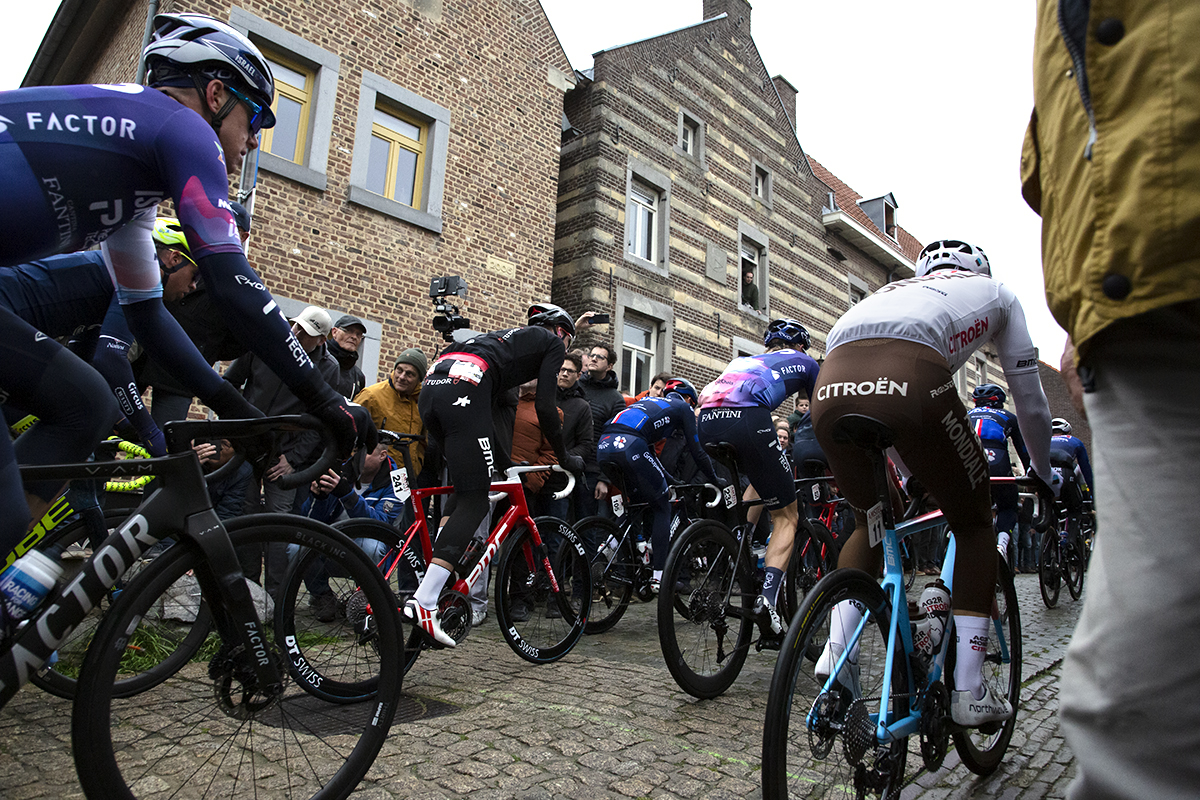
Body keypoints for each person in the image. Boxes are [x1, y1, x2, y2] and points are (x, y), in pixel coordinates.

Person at [0, 13, 356, 578]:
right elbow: (230, 278)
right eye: (253, 120)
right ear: (215, 94)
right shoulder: (181, 127)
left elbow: (149, 318)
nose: (251, 143)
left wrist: (237, 412)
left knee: (85, 403)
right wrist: (323, 399)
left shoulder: (130, 187)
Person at [1023, 8, 1200, 797]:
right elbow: (1035, 416)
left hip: (1144, 267)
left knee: (1137, 709)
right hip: (1130, 280)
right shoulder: (988, 300)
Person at [810, 239, 1057, 728]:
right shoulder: (997, 294)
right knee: (973, 523)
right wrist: (1044, 476)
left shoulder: (892, 290)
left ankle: (837, 656)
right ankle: (968, 688)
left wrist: (911, 474)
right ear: (977, 268)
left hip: (831, 383)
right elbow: (1029, 402)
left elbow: (883, 403)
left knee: (869, 523)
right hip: (913, 376)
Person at [405, 303, 584, 646]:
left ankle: (440, 578)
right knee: (475, 501)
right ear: (562, 333)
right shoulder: (551, 344)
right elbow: (547, 407)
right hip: (463, 390)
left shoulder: (498, 340)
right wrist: (564, 456)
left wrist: (502, 462)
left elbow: (484, 421)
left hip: (435, 387)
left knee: (464, 487)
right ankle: (425, 601)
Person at [697, 318, 820, 635]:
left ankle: (741, 539)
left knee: (758, 477)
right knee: (786, 516)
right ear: (800, 346)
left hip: (707, 420)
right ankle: (767, 600)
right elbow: (820, 409)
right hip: (748, 416)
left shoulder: (743, 360)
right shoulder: (805, 361)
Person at [225, 306, 342, 597]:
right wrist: (233, 429)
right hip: (248, 444)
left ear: (322, 340)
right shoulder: (263, 342)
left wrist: (293, 460)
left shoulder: (328, 368)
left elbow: (323, 421)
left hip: (285, 453)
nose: (298, 334)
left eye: (308, 333)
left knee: (278, 523)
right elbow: (228, 382)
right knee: (247, 515)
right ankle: (250, 587)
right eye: (297, 327)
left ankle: (277, 597)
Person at [597, 379, 726, 591]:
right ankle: (659, 576)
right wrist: (714, 479)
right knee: (662, 505)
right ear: (687, 399)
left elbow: (649, 455)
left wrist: (670, 479)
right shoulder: (683, 407)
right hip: (630, 444)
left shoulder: (648, 404)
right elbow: (698, 452)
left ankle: (610, 543)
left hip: (605, 444)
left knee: (638, 500)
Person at [141, 202, 254, 427]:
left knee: (165, 439)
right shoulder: (183, 253)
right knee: (111, 425)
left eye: (227, 225)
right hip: (142, 357)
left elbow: (242, 339)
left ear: (243, 236)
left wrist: (204, 349)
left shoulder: (239, 280)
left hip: (180, 376)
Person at [300, 440, 404, 621]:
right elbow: (309, 522)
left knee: (372, 546)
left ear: (382, 456)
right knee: (298, 546)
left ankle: (368, 598)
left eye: (367, 452)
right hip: (333, 545)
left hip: (366, 551)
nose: (359, 456)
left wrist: (348, 496)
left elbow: (380, 526)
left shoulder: (398, 480)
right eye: (357, 451)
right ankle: (322, 596)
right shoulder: (339, 471)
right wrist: (319, 498)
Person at [966, 383, 1031, 562]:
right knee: (1008, 506)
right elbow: (1023, 450)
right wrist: (1031, 473)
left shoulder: (963, 414)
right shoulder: (1009, 416)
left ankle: (955, 542)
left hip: (966, 460)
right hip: (997, 462)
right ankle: (1001, 545)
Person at [354, 349, 427, 483]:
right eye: (399, 370)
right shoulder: (371, 396)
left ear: (419, 379)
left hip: (407, 479)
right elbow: (350, 430)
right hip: (373, 478)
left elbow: (423, 441)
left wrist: (417, 464)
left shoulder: (422, 401)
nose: (402, 377)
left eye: (410, 374)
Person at [576, 343, 626, 518]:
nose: (594, 358)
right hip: (565, 462)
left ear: (610, 366)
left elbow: (614, 441)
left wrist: (604, 479)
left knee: (586, 525)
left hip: (591, 471)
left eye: (600, 357)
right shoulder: (576, 386)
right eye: (592, 355)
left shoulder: (615, 399)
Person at [542, 352, 592, 520]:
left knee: (555, 533)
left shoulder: (582, 406)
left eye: (569, 371)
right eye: (561, 369)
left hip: (560, 478)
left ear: (578, 375)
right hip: (533, 474)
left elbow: (585, 444)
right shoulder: (541, 397)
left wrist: (563, 458)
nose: (564, 374)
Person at [328, 315, 368, 401]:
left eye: (358, 334)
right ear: (334, 332)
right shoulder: (319, 358)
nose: (354, 337)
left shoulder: (358, 377)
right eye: (349, 331)